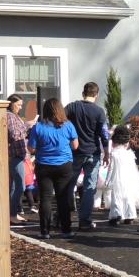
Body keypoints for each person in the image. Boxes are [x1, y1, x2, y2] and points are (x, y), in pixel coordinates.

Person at [27, 98, 79, 239]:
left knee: (46, 198)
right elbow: (75, 145)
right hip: (64, 165)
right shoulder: (68, 125)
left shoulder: (38, 127)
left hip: (44, 165)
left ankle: (45, 231)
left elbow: (31, 148)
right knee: (63, 198)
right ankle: (66, 230)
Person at [65, 82, 110, 231]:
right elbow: (104, 133)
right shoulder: (99, 111)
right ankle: (84, 220)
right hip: (93, 152)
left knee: (68, 185)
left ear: (83, 92)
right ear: (96, 95)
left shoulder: (72, 107)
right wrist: (107, 152)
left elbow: (60, 119)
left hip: (75, 151)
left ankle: (62, 217)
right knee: (90, 187)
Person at [106, 125, 139, 225]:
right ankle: (130, 216)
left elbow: (111, 169)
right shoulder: (130, 154)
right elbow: (133, 168)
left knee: (117, 196)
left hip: (117, 178)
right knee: (128, 196)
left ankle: (116, 216)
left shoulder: (114, 154)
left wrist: (107, 180)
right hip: (128, 178)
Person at [6, 94, 29, 225]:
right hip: (15, 154)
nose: (20, 107)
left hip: (19, 154)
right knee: (21, 186)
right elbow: (14, 134)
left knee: (15, 186)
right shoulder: (9, 116)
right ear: (11, 103)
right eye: (18, 105)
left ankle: (13, 213)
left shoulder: (15, 116)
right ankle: (12, 214)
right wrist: (27, 126)